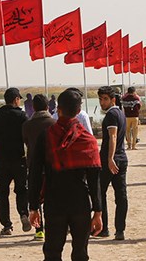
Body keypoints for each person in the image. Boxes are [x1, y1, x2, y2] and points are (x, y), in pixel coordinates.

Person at [28, 89, 103, 261]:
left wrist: (33, 206)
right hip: (80, 204)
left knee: (52, 252)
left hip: (54, 203)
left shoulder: (46, 136)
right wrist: (98, 212)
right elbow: (94, 179)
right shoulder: (87, 140)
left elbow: (35, 173)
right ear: (78, 111)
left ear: (58, 109)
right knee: (80, 253)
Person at [0, 87, 31, 236]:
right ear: (16, 100)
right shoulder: (22, 116)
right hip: (19, 159)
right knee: (21, 190)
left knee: (3, 193)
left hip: (2, 162)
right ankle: (23, 213)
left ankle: (6, 225)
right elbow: (27, 140)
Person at [22, 94, 56, 241]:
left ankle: (39, 230)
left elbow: (25, 142)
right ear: (48, 106)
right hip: (53, 166)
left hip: (34, 165)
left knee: (35, 198)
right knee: (53, 197)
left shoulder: (27, 125)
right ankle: (54, 227)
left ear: (33, 107)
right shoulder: (54, 123)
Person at [96, 86, 129, 240]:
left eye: (105, 99)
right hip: (121, 158)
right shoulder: (121, 113)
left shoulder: (111, 115)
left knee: (101, 193)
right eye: (100, 99)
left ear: (113, 100)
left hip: (110, 160)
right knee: (121, 196)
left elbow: (113, 136)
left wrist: (110, 158)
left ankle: (105, 229)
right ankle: (120, 229)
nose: (102, 102)